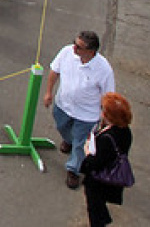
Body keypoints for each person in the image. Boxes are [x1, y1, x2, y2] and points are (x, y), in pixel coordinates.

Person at [44, 30, 116, 189]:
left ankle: (73, 170)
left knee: (80, 143)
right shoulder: (66, 52)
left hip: (86, 115)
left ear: (91, 52)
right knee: (62, 127)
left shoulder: (104, 70)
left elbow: (108, 96)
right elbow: (54, 71)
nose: (74, 48)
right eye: (74, 43)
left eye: (79, 47)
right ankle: (69, 140)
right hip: (63, 106)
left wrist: (106, 118)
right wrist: (49, 92)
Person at [79, 92, 134, 226]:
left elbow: (95, 162)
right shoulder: (125, 132)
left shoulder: (107, 139)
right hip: (110, 178)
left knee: (94, 206)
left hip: (100, 181)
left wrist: (87, 151)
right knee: (98, 205)